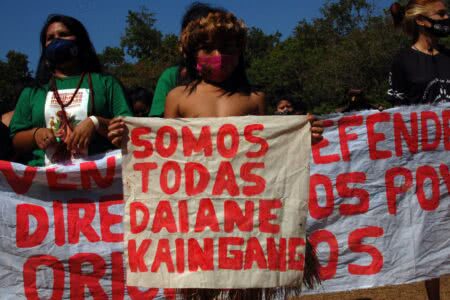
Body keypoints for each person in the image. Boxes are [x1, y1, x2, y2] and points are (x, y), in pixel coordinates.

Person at [10, 15, 132, 166]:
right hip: (43, 183)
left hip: (98, 181)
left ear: (80, 41)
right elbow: (14, 140)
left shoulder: (106, 83)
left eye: (63, 35)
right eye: (50, 38)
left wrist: (97, 123)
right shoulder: (33, 92)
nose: (56, 40)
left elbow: (130, 129)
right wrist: (35, 134)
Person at [389, 1, 449, 299]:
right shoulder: (402, 61)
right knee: (432, 230)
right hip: (424, 161)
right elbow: (393, 116)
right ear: (423, 21)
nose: (447, 17)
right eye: (441, 14)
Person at [149, 2, 226, 117]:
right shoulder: (172, 78)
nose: (216, 54)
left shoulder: (241, 89)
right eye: (206, 47)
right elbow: (158, 126)